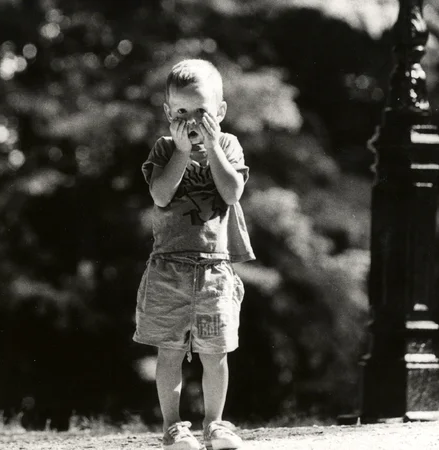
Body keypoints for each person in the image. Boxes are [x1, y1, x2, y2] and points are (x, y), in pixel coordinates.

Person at [133, 59, 255, 450]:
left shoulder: (230, 145)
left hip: (215, 269)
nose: (191, 120)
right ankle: (173, 428)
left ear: (219, 112)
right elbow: (161, 194)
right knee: (169, 350)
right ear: (168, 114)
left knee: (215, 352)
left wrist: (214, 146)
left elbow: (233, 193)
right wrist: (183, 152)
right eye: (181, 112)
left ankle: (215, 424)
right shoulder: (166, 148)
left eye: (201, 111)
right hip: (168, 267)